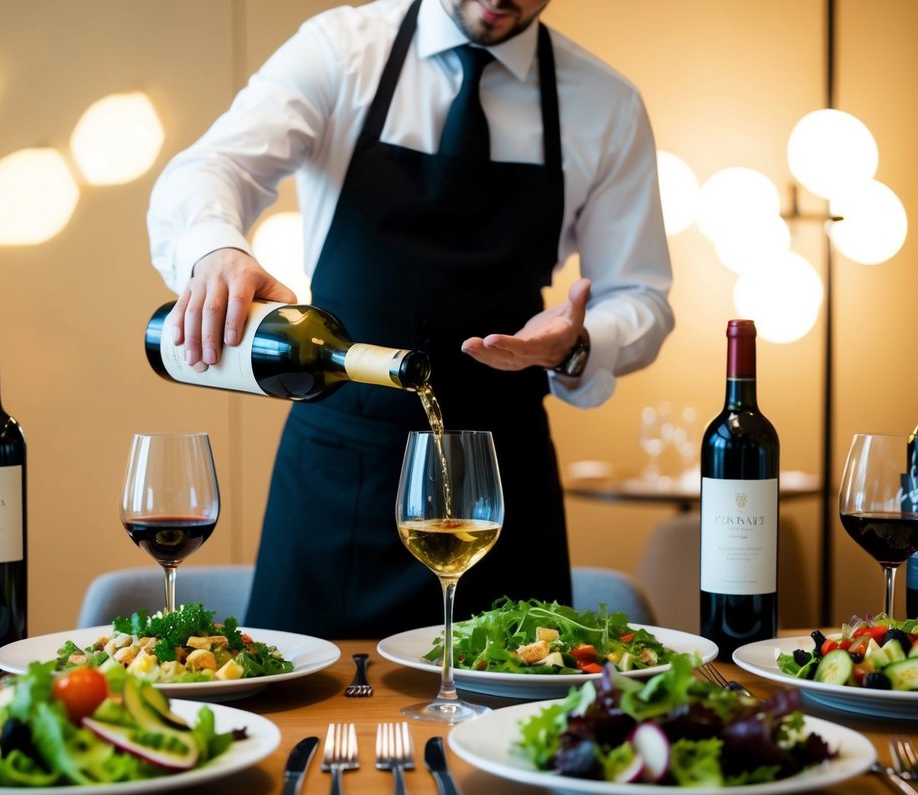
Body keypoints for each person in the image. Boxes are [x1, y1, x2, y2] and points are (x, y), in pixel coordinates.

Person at [147, 0, 673, 638]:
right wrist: (216, 248)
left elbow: (641, 295)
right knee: (302, 718)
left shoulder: (604, 103)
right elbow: (213, 167)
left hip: (500, 485)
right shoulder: (342, 50)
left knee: (514, 718)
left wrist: (579, 342)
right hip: (339, 474)